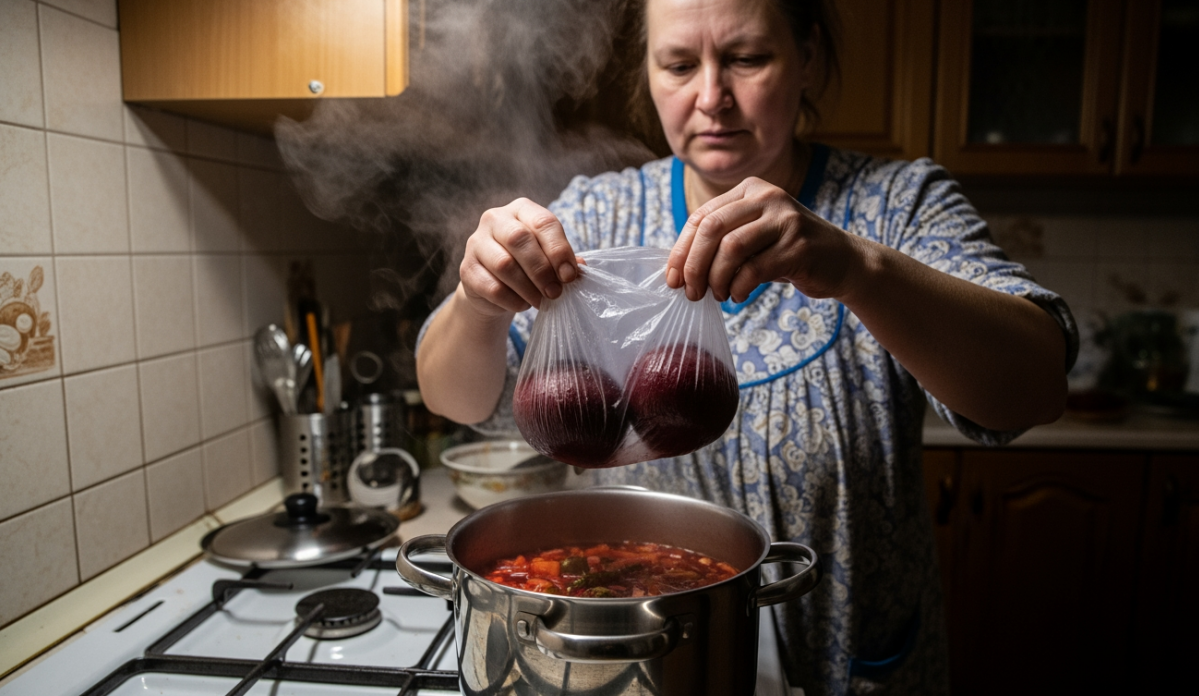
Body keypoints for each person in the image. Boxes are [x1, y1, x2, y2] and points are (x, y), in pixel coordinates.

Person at [415, 0, 1076, 692]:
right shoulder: (595, 218)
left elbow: (1035, 387)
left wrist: (856, 267)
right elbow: (455, 396)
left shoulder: (896, 205)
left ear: (809, 57)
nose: (710, 98)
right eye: (677, 64)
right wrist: (477, 300)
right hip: (654, 662)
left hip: (846, 660)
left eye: (746, 58)